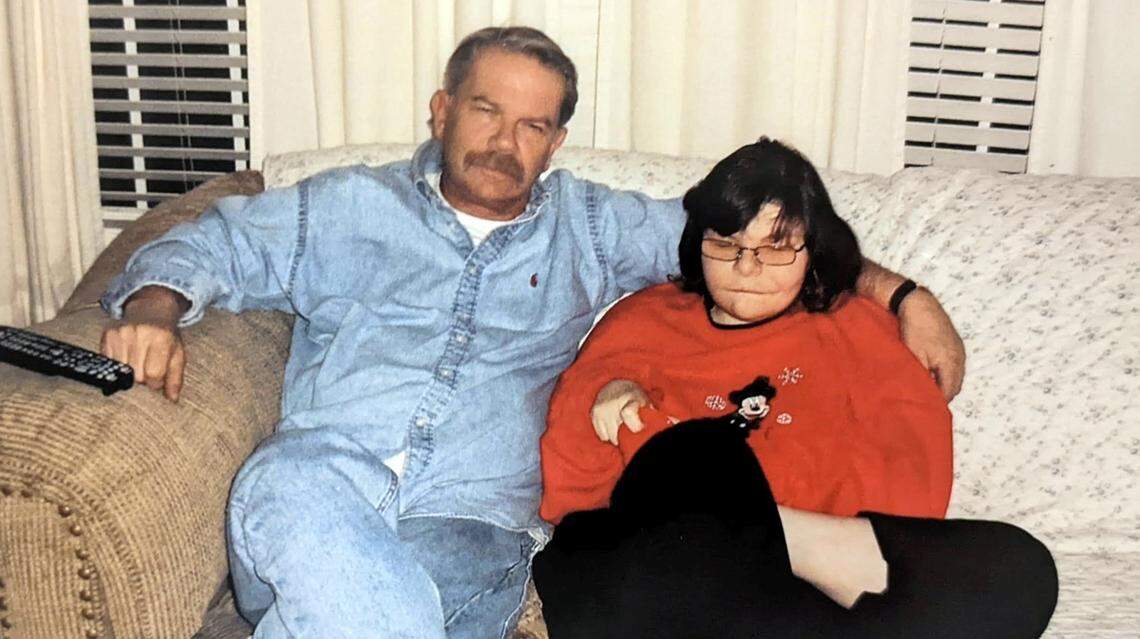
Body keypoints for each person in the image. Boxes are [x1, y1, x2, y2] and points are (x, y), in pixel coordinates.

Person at [99, 27, 966, 639]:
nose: (505, 141)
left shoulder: (593, 226)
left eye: (533, 125)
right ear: (441, 110)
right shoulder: (344, 206)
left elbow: (752, 238)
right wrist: (152, 310)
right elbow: (208, 237)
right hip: (314, 487)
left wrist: (904, 297)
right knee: (303, 500)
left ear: (556, 141)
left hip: (470, 523)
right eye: (486, 110)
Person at [533, 138, 1058, 639]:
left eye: (776, 247)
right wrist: (609, 391)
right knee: (703, 451)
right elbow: (568, 487)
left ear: (814, 248)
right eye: (727, 244)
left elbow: (911, 468)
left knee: (1020, 568)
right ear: (699, 241)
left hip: (806, 581)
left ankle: (761, 552)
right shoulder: (642, 320)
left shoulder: (856, 328)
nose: (746, 267)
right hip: (651, 567)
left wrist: (754, 526)